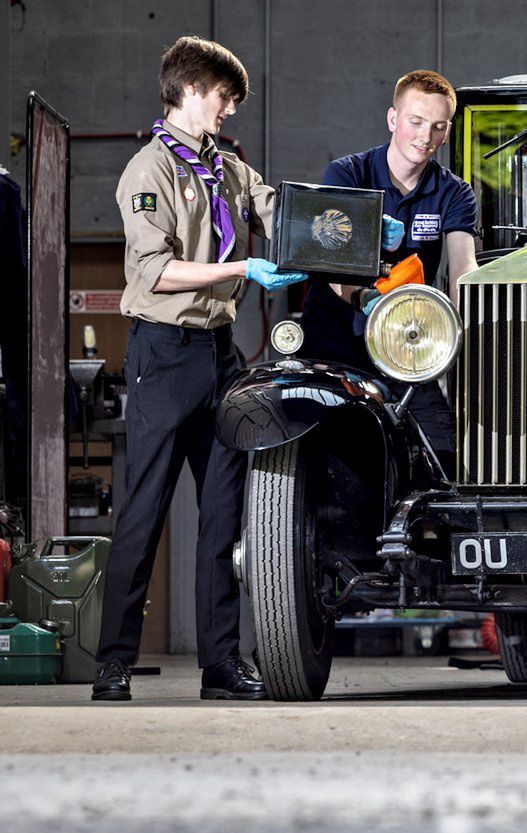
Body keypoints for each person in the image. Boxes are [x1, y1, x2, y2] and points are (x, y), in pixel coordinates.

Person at [93, 36, 310, 702]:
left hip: (219, 354)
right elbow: (154, 272)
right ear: (191, 90)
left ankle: (220, 665)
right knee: (145, 512)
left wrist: (351, 229)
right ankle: (113, 664)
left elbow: (277, 207)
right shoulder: (146, 173)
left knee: (222, 515)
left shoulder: (223, 165)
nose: (230, 112)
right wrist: (241, 267)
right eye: (224, 98)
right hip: (163, 353)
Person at [300, 69, 478, 460]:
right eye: (416, 122)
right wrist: (368, 299)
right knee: (327, 454)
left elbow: (464, 270)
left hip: (407, 347)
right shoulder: (347, 175)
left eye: (438, 126)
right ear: (393, 119)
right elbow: (333, 267)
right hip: (336, 344)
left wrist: (456, 333)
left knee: (444, 453)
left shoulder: (454, 192)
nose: (425, 137)